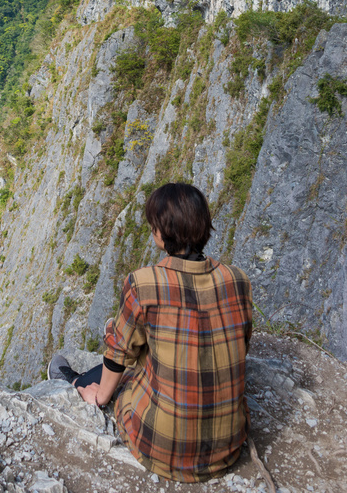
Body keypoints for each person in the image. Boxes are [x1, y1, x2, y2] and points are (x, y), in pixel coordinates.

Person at [48, 183, 252, 483]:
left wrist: (100, 396)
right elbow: (241, 343)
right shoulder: (237, 279)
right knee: (146, 342)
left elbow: (118, 355)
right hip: (228, 446)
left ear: (160, 231)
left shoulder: (144, 283)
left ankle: (75, 380)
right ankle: (97, 359)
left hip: (162, 446)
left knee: (125, 362)